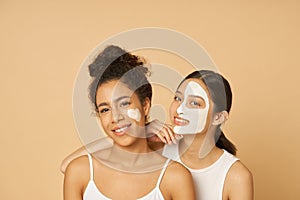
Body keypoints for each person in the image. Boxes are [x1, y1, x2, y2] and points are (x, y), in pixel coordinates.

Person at [62, 58, 253, 199]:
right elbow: (70, 165)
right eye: (178, 98)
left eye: (194, 103)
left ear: (219, 117)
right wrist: (140, 130)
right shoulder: (161, 146)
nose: (180, 109)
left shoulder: (235, 175)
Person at [63, 45, 196, 200]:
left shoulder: (175, 177)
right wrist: (144, 130)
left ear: (145, 106)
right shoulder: (80, 172)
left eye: (125, 104)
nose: (115, 117)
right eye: (105, 110)